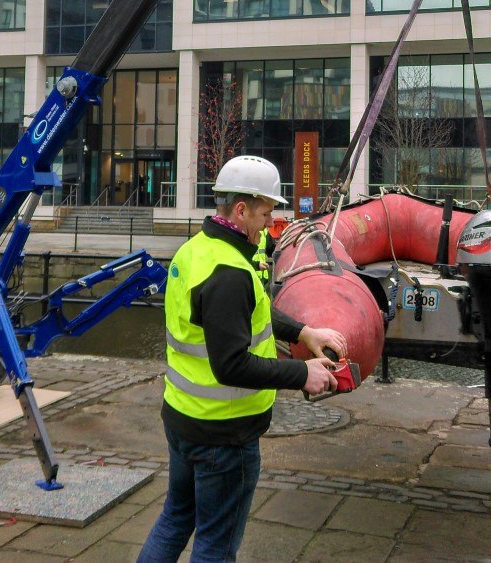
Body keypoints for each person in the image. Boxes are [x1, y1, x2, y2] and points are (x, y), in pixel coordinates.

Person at [137, 155, 347, 563]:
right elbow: (231, 364)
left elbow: (256, 313)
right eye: (266, 212)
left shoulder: (197, 250)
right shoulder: (230, 273)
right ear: (241, 210)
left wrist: (304, 333)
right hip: (223, 437)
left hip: (183, 418)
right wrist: (301, 372)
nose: (270, 222)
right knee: (216, 545)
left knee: (175, 519)